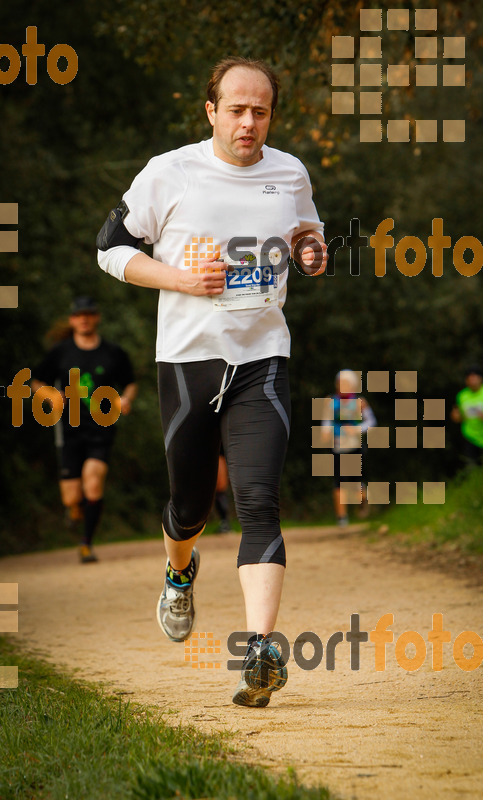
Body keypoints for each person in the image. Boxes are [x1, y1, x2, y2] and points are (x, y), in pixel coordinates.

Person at [96, 57, 327, 707]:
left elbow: (306, 227)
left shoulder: (289, 172)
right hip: (187, 361)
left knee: (258, 500)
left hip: (262, 358)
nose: (248, 122)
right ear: (211, 111)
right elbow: (110, 246)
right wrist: (178, 278)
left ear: (270, 115)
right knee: (189, 506)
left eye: (260, 111)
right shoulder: (169, 172)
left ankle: (259, 650)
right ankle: (178, 572)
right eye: (236, 109)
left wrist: (312, 247)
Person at [32, 296, 137, 563]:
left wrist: (126, 399)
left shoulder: (113, 352)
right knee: (72, 497)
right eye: (79, 315)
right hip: (69, 429)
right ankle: (74, 510)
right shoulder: (61, 351)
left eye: (89, 314)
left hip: (102, 427)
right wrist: (50, 395)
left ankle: (86, 544)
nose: (84, 319)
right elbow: (36, 380)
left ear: (96, 317)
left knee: (93, 481)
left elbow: (130, 382)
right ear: (72, 320)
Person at [322, 370, 376, 525]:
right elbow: (327, 420)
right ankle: (342, 518)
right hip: (337, 446)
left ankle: (362, 498)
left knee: (353, 482)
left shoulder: (360, 402)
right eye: (340, 383)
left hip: (355, 446)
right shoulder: (330, 401)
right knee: (338, 481)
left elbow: (371, 422)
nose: (342, 386)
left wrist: (357, 430)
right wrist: (326, 433)